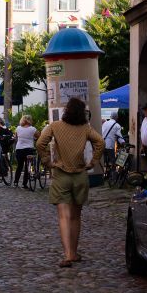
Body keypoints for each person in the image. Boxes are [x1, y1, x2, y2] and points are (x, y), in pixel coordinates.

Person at [37, 98, 105, 267]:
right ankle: (73, 253)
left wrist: (47, 161)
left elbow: (40, 143)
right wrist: (93, 161)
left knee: (64, 216)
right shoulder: (85, 128)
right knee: (75, 216)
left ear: (66, 111)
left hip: (61, 174)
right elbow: (100, 142)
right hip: (80, 175)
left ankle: (67, 254)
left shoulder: (55, 126)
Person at [13, 115, 38, 188]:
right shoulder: (33, 129)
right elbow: (39, 136)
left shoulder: (18, 128)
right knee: (28, 167)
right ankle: (24, 184)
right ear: (30, 120)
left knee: (19, 166)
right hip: (29, 149)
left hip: (19, 149)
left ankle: (15, 182)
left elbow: (16, 138)